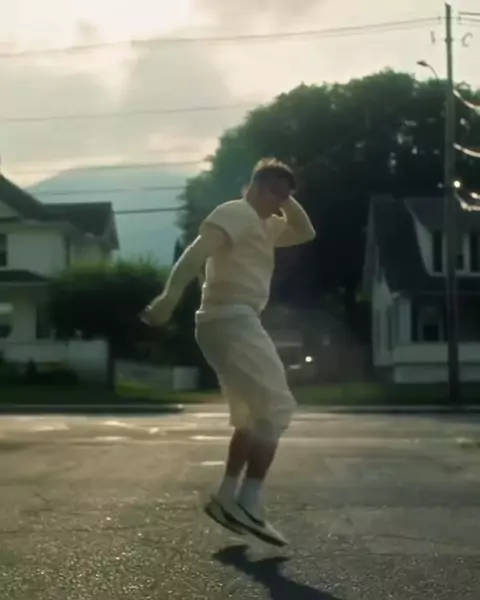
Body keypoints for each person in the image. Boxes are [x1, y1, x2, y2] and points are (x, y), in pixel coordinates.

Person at [141, 158, 316, 546]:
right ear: (254, 187)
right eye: (274, 193)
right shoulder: (235, 213)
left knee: (251, 416)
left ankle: (225, 496)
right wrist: (169, 298)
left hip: (229, 322)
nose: (280, 204)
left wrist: (283, 196)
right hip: (231, 319)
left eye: (285, 197)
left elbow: (305, 232)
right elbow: (194, 255)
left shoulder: (267, 226)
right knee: (278, 407)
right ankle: (250, 502)